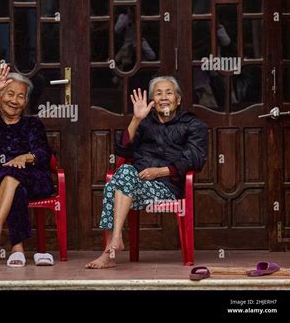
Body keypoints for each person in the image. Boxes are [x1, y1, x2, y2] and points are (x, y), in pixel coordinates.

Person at [86, 76, 208, 269]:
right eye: (158, 93)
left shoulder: (192, 125)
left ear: (178, 99)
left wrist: (160, 171)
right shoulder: (144, 123)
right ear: (152, 100)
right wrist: (136, 119)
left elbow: (196, 158)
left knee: (114, 184)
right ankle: (115, 240)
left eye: (169, 93)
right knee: (123, 172)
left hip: (167, 187)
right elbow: (122, 150)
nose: (164, 97)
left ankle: (110, 251)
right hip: (136, 184)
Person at [0, 64, 54, 267]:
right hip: (0, 183)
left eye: (20, 96)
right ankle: (18, 248)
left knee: (13, 175)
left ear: (25, 102)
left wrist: (25, 157)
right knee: (14, 185)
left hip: (36, 179)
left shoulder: (32, 124)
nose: (14, 100)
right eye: (9, 94)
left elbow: (43, 153)